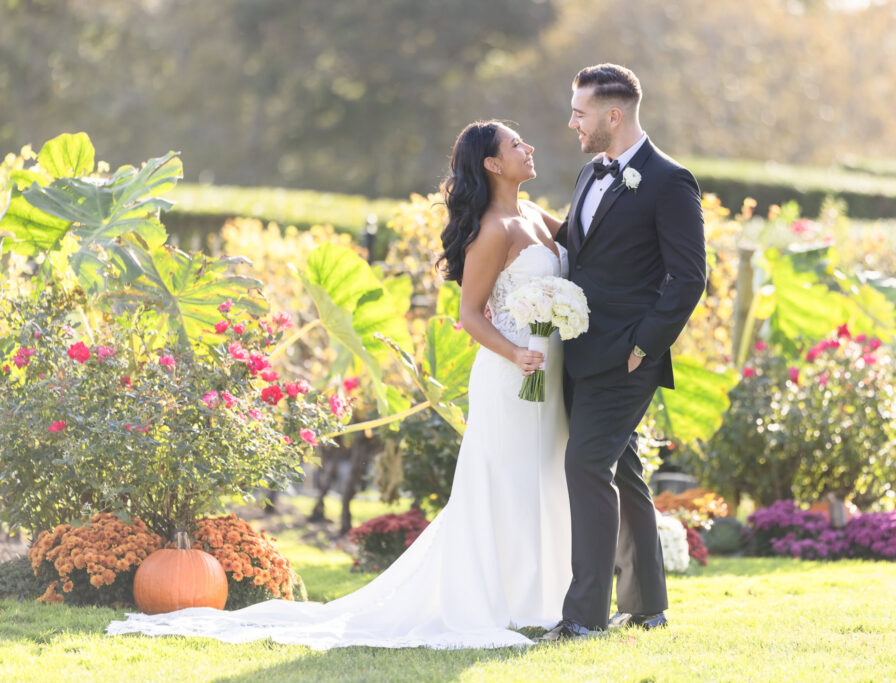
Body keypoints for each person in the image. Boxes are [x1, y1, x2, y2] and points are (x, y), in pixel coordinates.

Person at [107, 121, 574, 650]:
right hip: (513, 374)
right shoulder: (494, 229)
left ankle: (544, 599)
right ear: (492, 164)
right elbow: (469, 315)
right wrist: (516, 352)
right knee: (504, 484)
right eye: (516, 145)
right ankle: (497, 601)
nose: (528, 148)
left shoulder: (535, 214)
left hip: (550, 376)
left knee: (542, 477)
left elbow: (584, 241)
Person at [540, 64, 706, 642]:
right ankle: (647, 604)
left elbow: (689, 278)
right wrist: (509, 221)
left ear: (613, 115)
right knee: (625, 471)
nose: (571, 122)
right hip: (579, 350)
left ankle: (584, 617)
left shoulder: (670, 180)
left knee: (586, 466)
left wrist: (645, 344)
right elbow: (574, 245)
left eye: (580, 112)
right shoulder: (590, 172)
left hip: (627, 357)